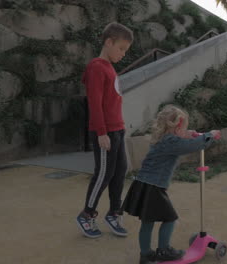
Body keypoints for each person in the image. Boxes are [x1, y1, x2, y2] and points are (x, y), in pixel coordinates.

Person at [122, 105, 221, 263]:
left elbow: (184, 138)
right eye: (184, 127)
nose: (185, 130)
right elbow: (193, 145)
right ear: (178, 126)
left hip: (142, 184)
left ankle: (146, 255)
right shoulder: (172, 142)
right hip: (153, 187)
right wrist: (210, 135)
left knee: (148, 222)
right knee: (170, 218)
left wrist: (190, 134)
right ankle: (164, 251)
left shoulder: (163, 138)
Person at [76, 22, 133, 238]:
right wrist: (101, 132)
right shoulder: (96, 67)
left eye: (125, 50)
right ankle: (87, 215)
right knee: (104, 174)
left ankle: (114, 213)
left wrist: (120, 128)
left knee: (119, 171)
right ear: (108, 42)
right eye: (121, 48)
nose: (123, 54)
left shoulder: (110, 68)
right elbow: (95, 103)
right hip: (105, 132)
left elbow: (112, 102)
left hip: (117, 130)